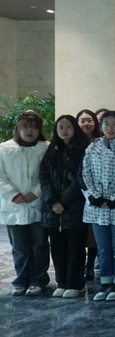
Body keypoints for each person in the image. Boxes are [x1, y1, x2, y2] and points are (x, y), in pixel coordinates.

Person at [82, 111, 115, 302]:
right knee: (102, 247)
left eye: (114, 124)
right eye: (106, 124)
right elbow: (85, 174)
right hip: (96, 206)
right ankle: (105, 282)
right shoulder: (92, 147)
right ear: (100, 126)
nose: (110, 128)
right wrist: (94, 197)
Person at [39, 115, 90, 299]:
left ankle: (76, 284)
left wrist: (64, 201)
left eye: (68, 126)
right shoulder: (51, 150)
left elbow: (81, 178)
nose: (64, 130)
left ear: (75, 128)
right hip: (52, 210)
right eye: (60, 127)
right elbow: (43, 177)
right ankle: (62, 282)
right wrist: (51, 201)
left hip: (75, 207)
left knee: (76, 249)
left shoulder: (84, 149)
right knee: (57, 249)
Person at [0, 111, 50, 296]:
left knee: (39, 245)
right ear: (18, 128)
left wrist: (35, 193)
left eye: (34, 127)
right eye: (26, 127)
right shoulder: (4, 149)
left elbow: (49, 175)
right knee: (20, 247)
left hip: (37, 204)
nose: (30, 131)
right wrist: (13, 195)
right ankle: (21, 280)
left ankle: (39, 280)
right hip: (14, 205)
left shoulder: (46, 148)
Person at [76, 109, 102, 281]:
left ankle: (90, 265)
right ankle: (79, 266)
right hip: (76, 195)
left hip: (95, 194)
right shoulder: (73, 143)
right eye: (82, 120)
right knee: (79, 234)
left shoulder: (100, 142)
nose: (86, 124)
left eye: (89, 120)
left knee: (93, 235)